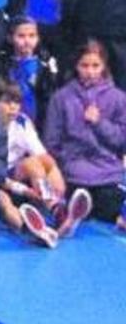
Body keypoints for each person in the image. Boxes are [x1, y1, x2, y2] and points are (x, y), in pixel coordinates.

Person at [0, 78, 89, 249]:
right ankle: (35, 230)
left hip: (14, 173)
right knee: (5, 203)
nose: (13, 107)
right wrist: (24, 190)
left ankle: (58, 212)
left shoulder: (21, 122)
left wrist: (54, 174)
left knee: (36, 164)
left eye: (17, 102)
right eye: (7, 102)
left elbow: (43, 156)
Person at [45, 40, 124, 227]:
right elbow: (51, 141)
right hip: (74, 174)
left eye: (96, 65)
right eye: (85, 65)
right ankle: (69, 215)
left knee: (109, 201)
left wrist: (99, 123)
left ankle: (113, 216)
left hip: (107, 174)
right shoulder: (61, 97)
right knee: (75, 198)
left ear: (104, 66)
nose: (90, 71)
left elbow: (122, 140)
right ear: (76, 66)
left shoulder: (119, 98)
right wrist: (67, 161)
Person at [1, 16, 58, 129]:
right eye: (21, 36)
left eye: (32, 36)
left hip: (36, 124)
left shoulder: (44, 67)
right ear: (10, 38)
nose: (27, 41)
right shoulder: (4, 66)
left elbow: (48, 99)